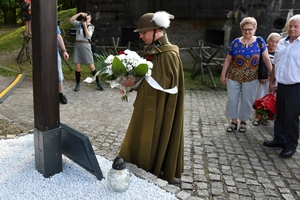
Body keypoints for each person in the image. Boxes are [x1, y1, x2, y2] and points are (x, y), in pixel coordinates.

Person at [119, 11, 185, 183]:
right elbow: (149, 77)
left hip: (160, 107)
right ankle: (142, 162)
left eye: (143, 32)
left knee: (156, 132)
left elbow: (161, 86)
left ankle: (154, 165)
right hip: (148, 104)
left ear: (157, 30)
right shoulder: (154, 50)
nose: (140, 36)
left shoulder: (168, 54)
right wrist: (130, 81)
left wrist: (134, 82)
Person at [220, 17, 272, 133]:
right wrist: (223, 74)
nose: (247, 32)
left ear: (255, 29)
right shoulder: (235, 42)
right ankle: (233, 122)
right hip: (233, 76)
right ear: (241, 30)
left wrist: (272, 75)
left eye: (250, 29)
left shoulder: (260, 42)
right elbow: (228, 60)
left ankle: (243, 122)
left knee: (247, 100)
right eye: (244, 29)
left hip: (251, 77)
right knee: (232, 99)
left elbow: (266, 59)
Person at [263, 14, 300, 158]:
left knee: (291, 117)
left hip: (296, 86)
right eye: (290, 26)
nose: (292, 29)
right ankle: (279, 139)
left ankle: (291, 145)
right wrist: (272, 82)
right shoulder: (282, 43)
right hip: (281, 85)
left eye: (296, 26)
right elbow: (275, 65)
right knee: (281, 113)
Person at [69, 11, 104, 91]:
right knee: (78, 66)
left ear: (90, 18)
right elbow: (70, 20)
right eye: (85, 18)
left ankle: (98, 82)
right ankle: (77, 84)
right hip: (78, 45)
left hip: (86, 45)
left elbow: (88, 35)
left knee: (91, 66)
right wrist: (80, 14)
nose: (86, 19)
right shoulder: (78, 24)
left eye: (88, 18)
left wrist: (85, 26)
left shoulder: (91, 26)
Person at [253, 32, 281, 126]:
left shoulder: (280, 53)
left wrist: (269, 78)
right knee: (261, 98)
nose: (274, 44)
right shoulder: (261, 52)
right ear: (267, 41)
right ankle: (258, 117)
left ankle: (271, 116)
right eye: (272, 41)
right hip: (262, 80)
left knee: (273, 99)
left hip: (274, 80)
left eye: (277, 42)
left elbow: (279, 68)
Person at [57, 26, 69, 104]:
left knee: (59, 74)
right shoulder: (36, 22)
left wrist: (64, 50)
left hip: (53, 52)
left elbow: (58, 36)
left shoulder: (52, 22)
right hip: (41, 54)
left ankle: (60, 94)